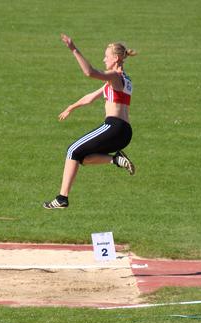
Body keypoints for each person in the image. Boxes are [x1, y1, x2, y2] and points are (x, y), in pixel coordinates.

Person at [43, 34, 136, 209]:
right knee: (82, 157)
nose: (103, 59)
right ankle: (116, 160)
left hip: (114, 127)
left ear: (116, 58)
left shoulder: (114, 78)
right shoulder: (122, 80)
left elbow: (89, 72)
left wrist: (73, 49)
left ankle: (62, 198)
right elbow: (90, 98)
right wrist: (72, 106)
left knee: (72, 150)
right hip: (125, 133)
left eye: (106, 56)